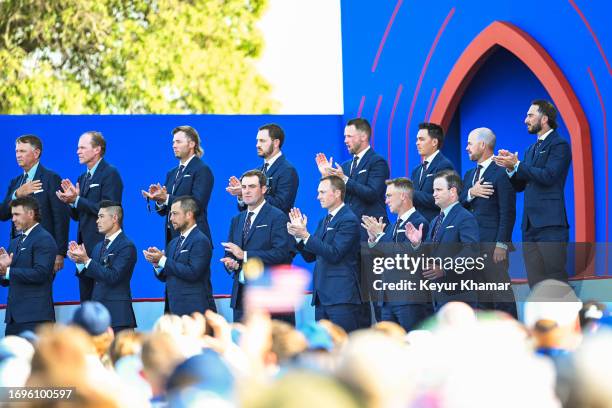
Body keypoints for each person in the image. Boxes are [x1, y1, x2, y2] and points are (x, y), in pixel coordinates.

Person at [315, 118, 389, 325]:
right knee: (357, 294)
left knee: (376, 296)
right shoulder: (345, 166)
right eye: (344, 136)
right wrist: (327, 178)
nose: (345, 140)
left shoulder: (377, 162)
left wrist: (345, 179)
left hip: (370, 238)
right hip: (348, 240)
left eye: (349, 136)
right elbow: (337, 197)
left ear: (363, 136)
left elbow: (373, 193)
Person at [493, 100, 572, 287]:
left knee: (556, 281)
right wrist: (511, 169)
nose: (525, 120)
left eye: (530, 115)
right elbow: (521, 185)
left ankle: (565, 317)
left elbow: (548, 176)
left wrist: (518, 165)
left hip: (551, 225)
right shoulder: (530, 150)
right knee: (536, 283)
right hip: (529, 227)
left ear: (544, 119)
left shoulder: (559, 145)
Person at [288, 176, 363, 333]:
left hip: (341, 297)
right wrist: (299, 237)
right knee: (324, 348)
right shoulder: (324, 220)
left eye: (322, 192)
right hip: (322, 297)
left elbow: (335, 253)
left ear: (337, 193)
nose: (318, 197)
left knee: (343, 347)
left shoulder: (348, 219)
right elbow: (310, 256)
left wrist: (306, 235)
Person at [56, 131, 123, 301]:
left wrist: (77, 200)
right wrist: (70, 202)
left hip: (103, 248)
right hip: (83, 250)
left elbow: (110, 209)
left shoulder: (110, 173)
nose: (77, 151)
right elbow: (78, 216)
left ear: (97, 150)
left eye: (82, 147)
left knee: (101, 302)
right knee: (86, 302)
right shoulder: (83, 177)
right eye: (78, 148)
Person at [221, 170, 294, 323]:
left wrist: (245, 255)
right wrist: (231, 263)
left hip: (268, 297)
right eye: (244, 187)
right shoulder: (237, 219)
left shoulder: (278, 216)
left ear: (263, 189)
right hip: (241, 298)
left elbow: (282, 254)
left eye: (252, 186)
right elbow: (230, 253)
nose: (246, 191)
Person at [361, 177, 431, 331]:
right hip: (387, 299)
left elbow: (405, 259)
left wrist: (380, 236)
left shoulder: (419, 222)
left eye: (389, 196)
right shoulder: (393, 225)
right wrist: (373, 240)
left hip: (409, 299)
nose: (386, 201)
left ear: (403, 196)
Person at [461, 127, 517, 317]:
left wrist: (502, 244)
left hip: (493, 247)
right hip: (473, 248)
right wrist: (470, 193)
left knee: (501, 298)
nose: (467, 148)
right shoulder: (469, 176)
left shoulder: (501, 172)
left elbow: (508, 212)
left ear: (482, 144)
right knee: (481, 300)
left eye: (470, 143)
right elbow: (458, 204)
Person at [405, 170, 480, 310]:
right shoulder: (435, 221)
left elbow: (471, 252)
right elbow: (430, 253)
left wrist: (445, 269)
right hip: (439, 295)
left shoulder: (465, 217)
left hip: (459, 296)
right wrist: (417, 244)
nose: (434, 194)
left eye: (438, 190)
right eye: (433, 190)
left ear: (452, 192)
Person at [0, 135, 69, 273]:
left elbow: (61, 217)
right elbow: (3, 214)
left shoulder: (51, 178)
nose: (18, 155)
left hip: (42, 249)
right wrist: (17, 195)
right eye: (16, 151)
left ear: (36, 153)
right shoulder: (15, 183)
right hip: (17, 248)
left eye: (22, 151)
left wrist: (60, 253)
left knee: (39, 292)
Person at [67, 201, 137, 333]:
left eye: (101, 216)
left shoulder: (127, 246)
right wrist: (79, 262)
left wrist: (86, 260)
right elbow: (92, 277)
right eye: (98, 216)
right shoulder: (98, 246)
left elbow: (113, 276)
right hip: (97, 318)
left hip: (118, 318)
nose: (97, 221)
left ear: (115, 218)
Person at [143, 196, 215, 316]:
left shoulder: (200, 240)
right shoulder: (173, 243)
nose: (171, 218)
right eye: (171, 214)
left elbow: (193, 273)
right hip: (174, 311)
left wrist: (163, 260)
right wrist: (157, 264)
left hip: (197, 313)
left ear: (189, 215)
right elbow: (167, 276)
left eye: (175, 214)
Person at [142, 125, 213, 244]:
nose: (174, 145)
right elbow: (163, 211)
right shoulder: (171, 173)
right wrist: (159, 200)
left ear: (191, 144)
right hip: (172, 240)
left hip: (195, 241)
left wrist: (167, 198)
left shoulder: (202, 169)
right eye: (173, 142)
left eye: (178, 142)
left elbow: (197, 205)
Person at [0, 197, 57, 336]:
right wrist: (2, 270)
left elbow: (41, 274)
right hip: (13, 319)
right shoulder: (14, 242)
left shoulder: (44, 239)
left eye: (16, 214)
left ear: (31, 214)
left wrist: (8, 271)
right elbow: (7, 280)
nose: (13, 219)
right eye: (12, 214)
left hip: (36, 319)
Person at [226, 124, 299, 214]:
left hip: (276, 227)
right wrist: (242, 195)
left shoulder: (287, 170)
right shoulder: (257, 171)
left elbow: (281, 205)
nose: (257, 145)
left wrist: (250, 192)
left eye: (262, 141)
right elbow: (245, 210)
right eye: (257, 141)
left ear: (276, 143)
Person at [410, 122, 455, 222]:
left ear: (434, 142)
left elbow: (444, 198)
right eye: (417, 139)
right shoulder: (416, 170)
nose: (417, 143)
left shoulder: (444, 165)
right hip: (416, 228)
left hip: (434, 226)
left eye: (421, 139)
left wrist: (411, 193)